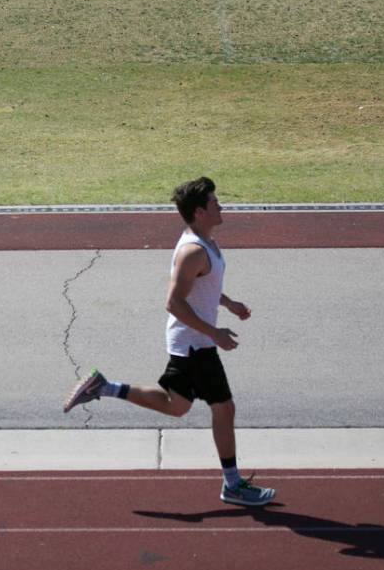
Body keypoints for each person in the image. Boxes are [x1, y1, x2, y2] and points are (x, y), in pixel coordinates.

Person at [63, 176, 275, 506]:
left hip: (193, 342)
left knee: (176, 406)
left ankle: (104, 387)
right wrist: (214, 333)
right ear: (199, 212)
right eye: (214, 202)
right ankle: (232, 485)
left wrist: (228, 304)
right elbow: (174, 303)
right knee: (223, 408)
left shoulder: (207, 242)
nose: (221, 206)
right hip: (193, 344)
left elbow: (203, 286)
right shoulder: (193, 251)